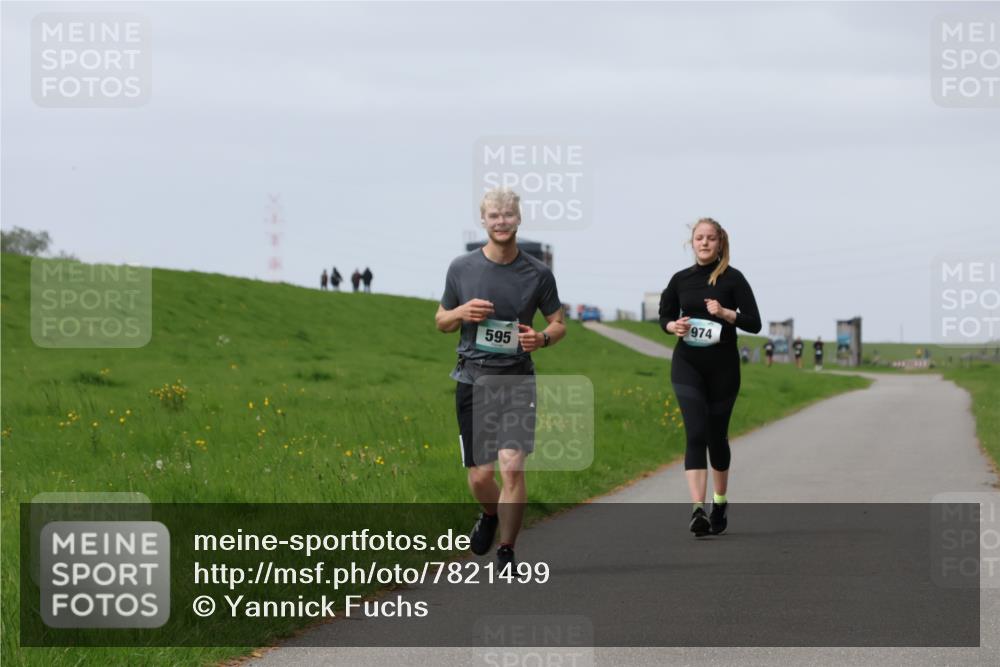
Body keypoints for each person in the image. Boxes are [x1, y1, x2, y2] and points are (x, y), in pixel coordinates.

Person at [435, 188, 565, 570]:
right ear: (484, 220)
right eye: (494, 215)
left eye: (508, 215)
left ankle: (506, 549)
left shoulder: (538, 273)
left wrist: (540, 338)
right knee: (479, 476)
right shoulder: (462, 268)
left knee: (511, 466)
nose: (502, 221)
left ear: (518, 219)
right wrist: (461, 311)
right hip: (473, 380)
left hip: (517, 380)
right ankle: (490, 515)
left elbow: (559, 324)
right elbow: (441, 321)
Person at [659, 217, 761, 537]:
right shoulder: (680, 280)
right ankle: (697, 510)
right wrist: (671, 327)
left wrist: (725, 313)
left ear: (720, 243)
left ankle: (719, 501)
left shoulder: (734, 279)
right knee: (695, 434)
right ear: (692, 242)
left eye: (710, 238)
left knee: (717, 437)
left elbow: (754, 323)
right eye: (699, 237)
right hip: (687, 364)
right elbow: (664, 315)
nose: (704, 243)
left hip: (723, 368)